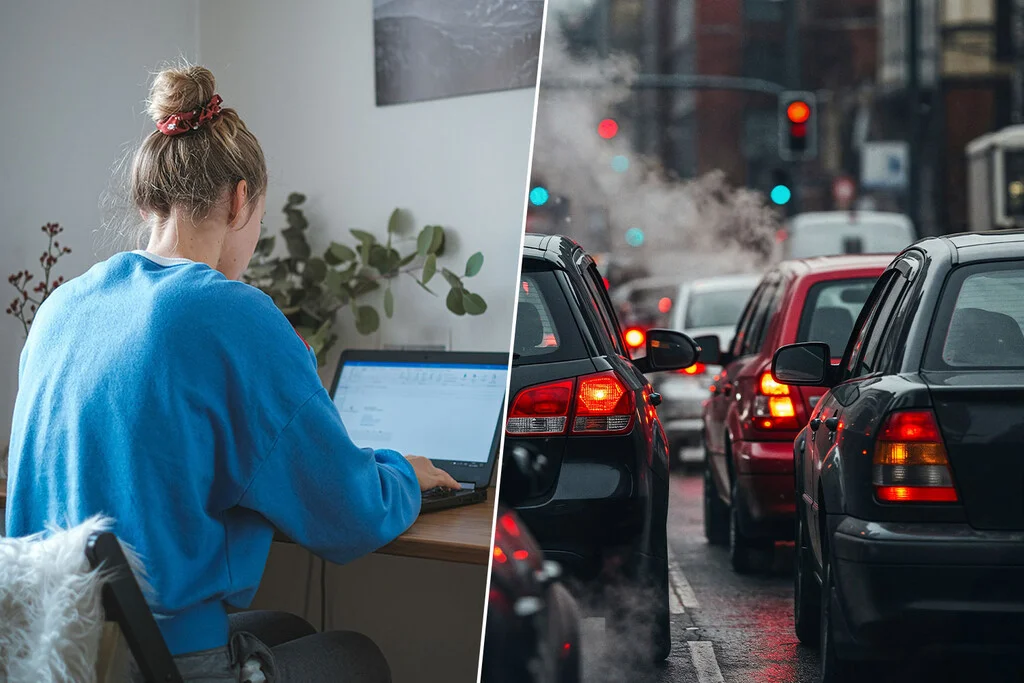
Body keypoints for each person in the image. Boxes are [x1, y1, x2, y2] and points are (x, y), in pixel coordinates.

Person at [4, 63, 459, 683]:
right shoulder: (228, 312)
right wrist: (405, 474)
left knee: (293, 631)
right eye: (261, 217)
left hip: (57, 650)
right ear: (241, 198)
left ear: (148, 199)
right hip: (153, 659)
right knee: (355, 655)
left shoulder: (61, 306)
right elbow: (349, 516)